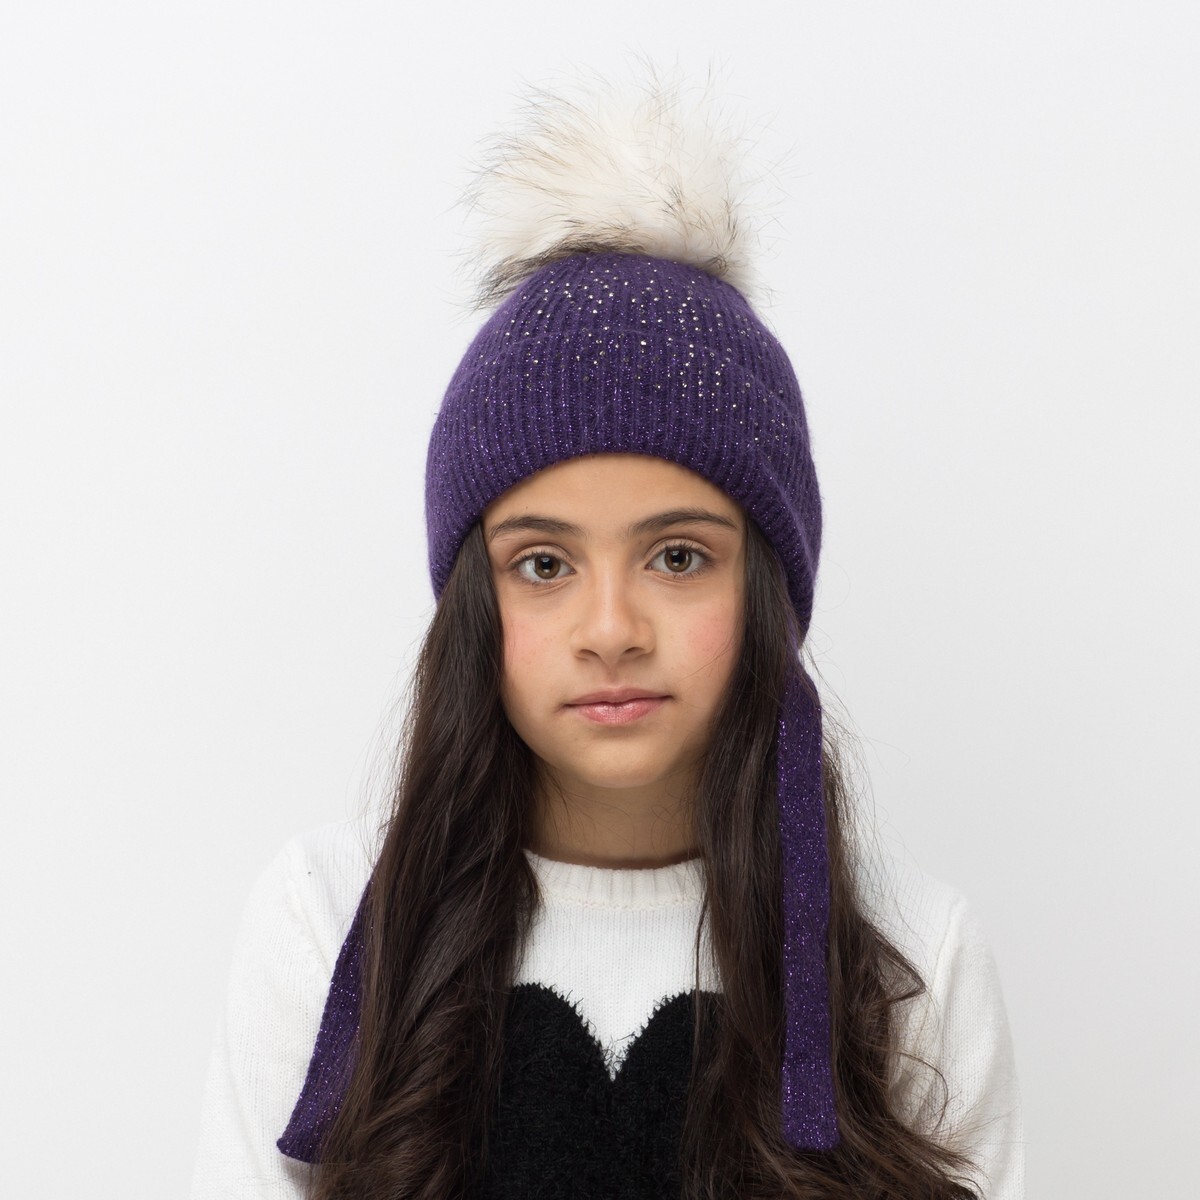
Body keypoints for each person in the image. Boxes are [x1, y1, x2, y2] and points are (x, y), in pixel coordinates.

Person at [190, 75, 1024, 1199]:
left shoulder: (909, 959)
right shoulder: (329, 922)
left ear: (766, 587)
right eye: (543, 565)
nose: (612, 630)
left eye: (677, 556)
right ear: (475, 602)